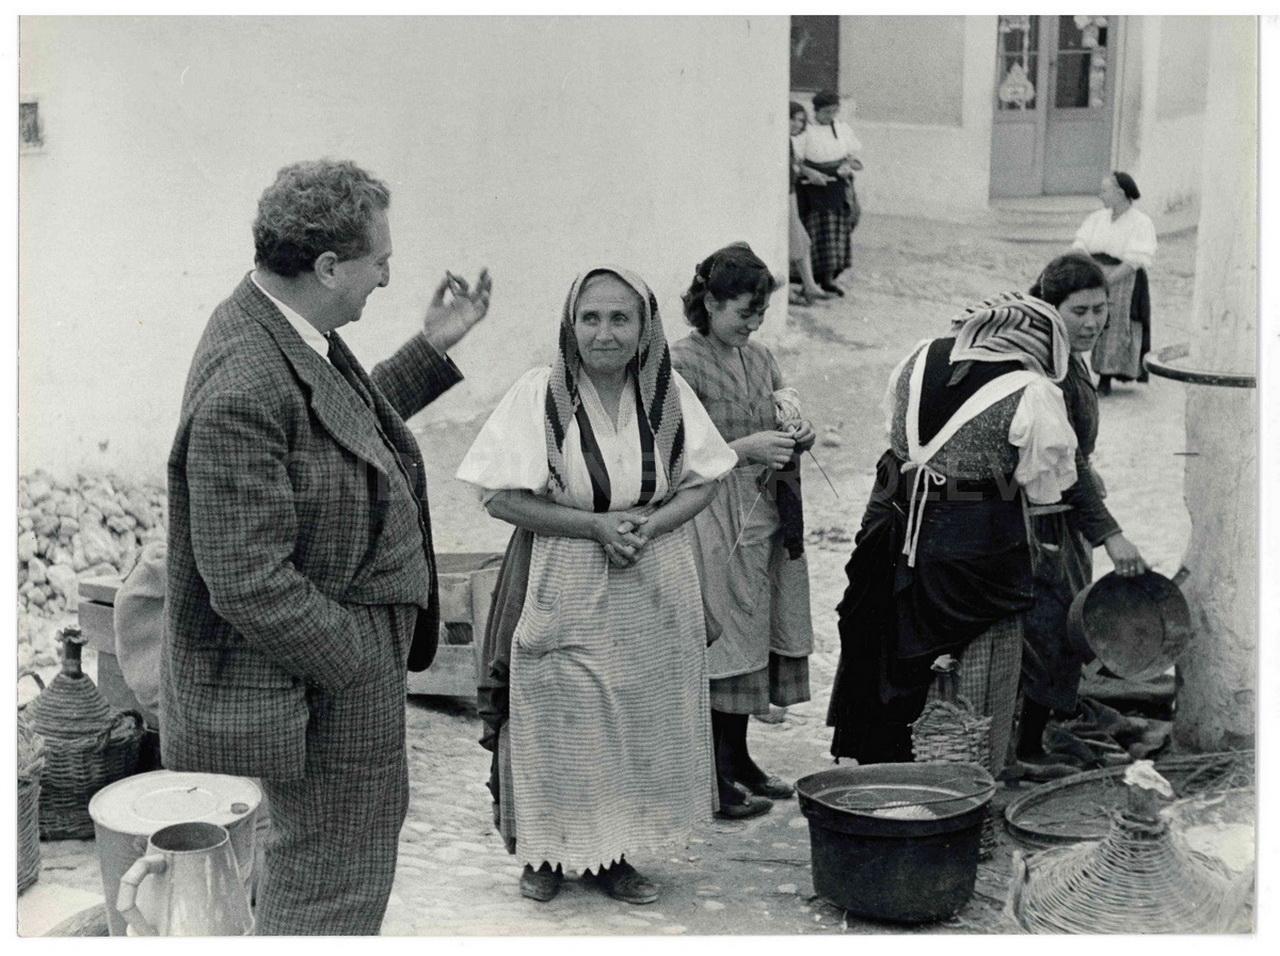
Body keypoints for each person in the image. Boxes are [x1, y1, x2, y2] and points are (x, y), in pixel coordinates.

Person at [161, 159, 492, 935]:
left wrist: (432, 345)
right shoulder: (245, 381)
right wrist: (356, 659)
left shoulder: (279, 324)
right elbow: (246, 578)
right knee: (329, 881)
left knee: (341, 861)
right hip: (322, 681)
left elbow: (336, 423)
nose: (388, 276)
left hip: (333, 670)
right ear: (329, 266)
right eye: (380, 260)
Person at [456, 266, 735, 905]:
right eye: (590, 318)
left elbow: (706, 480)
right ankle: (545, 853)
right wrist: (594, 526)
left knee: (635, 717)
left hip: (651, 574)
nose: (604, 333)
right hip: (566, 571)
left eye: (619, 319)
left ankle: (615, 854)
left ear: (644, 328)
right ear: (570, 324)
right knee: (556, 713)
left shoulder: (667, 395)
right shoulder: (540, 394)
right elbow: (499, 498)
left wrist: (647, 525)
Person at [827, 291, 1078, 775]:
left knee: (887, 639)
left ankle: (881, 763)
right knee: (970, 655)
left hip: (891, 524)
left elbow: (897, 440)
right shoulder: (1031, 390)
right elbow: (1044, 486)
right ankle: (957, 772)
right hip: (973, 548)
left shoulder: (920, 356)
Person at [671, 243, 816, 820]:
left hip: (763, 513)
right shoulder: (680, 364)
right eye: (743, 313)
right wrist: (746, 447)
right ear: (709, 303)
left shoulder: (760, 357)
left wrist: (798, 431)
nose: (753, 325)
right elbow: (674, 454)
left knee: (755, 634)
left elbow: (781, 407)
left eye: (760, 314)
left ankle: (740, 758)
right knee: (724, 639)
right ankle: (712, 774)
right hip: (711, 517)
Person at [1016, 253, 1150, 773]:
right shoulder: (1045, 370)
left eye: (1101, 309)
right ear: (1051, 309)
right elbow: (1062, 462)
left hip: (1068, 506)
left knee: (1069, 619)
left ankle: (1055, 718)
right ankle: (1029, 747)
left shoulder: (1069, 358)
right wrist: (1111, 534)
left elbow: (1076, 457)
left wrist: (1089, 477)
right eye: (1079, 311)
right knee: (1050, 626)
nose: (1093, 322)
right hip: (1044, 512)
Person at [1071, 171, 1158, 394]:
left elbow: (1135, 259)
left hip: (1122, 278)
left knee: (1115, 325)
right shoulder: (1097, 218)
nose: (1100, 195)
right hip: (1093, 274)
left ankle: (1106, 376)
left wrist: (1107, 281)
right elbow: (1080, 242)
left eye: (1104, 190)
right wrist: (1088, 272)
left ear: (1120, 193)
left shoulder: (1141, 222)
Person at [794, 90, 863, 297]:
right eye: (826, 112)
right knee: (815, 232)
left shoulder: (842, 128)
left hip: (837, 186)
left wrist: (847, 165)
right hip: (812, 187)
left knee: (837, 233)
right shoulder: (806, 130)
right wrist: (809, 172)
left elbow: (852, 157)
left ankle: (829, 279)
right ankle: (809, 280)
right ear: (816, 111)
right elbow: (796, 160)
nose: (830, 116)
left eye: (834, 111)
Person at [788, 102, 834, 307]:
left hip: (790, 194)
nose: (797, 124)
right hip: (784, 196)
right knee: (795, 242)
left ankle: (809, 285)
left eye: (800, 120)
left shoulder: (788, 142)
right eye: (792, 119)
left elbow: (795, 167)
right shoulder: (780, 140)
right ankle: (802, 287)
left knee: (801, 241)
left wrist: (808, 172)